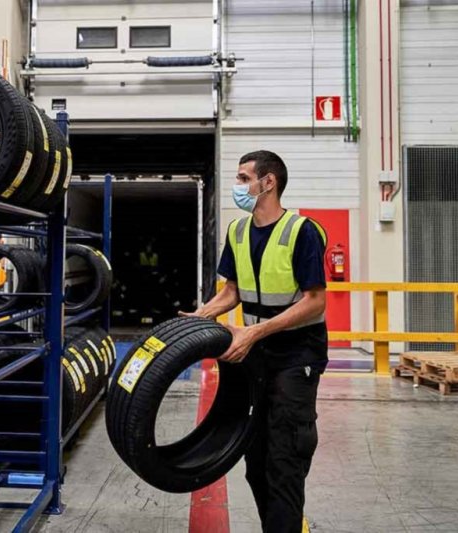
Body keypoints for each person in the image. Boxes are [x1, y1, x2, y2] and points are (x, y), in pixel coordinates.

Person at [180, 150, 328, 533]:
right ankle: (285, 525)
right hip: (256, 354)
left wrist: (254, 332)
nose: (238, 185)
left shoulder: (301, 231)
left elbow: (315, 302)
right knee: (255, 457)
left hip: (297, 353)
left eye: (245, 178)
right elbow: (231, 291)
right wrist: (200, 317)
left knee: (285, 455)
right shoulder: (238, 231)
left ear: (268, 183)